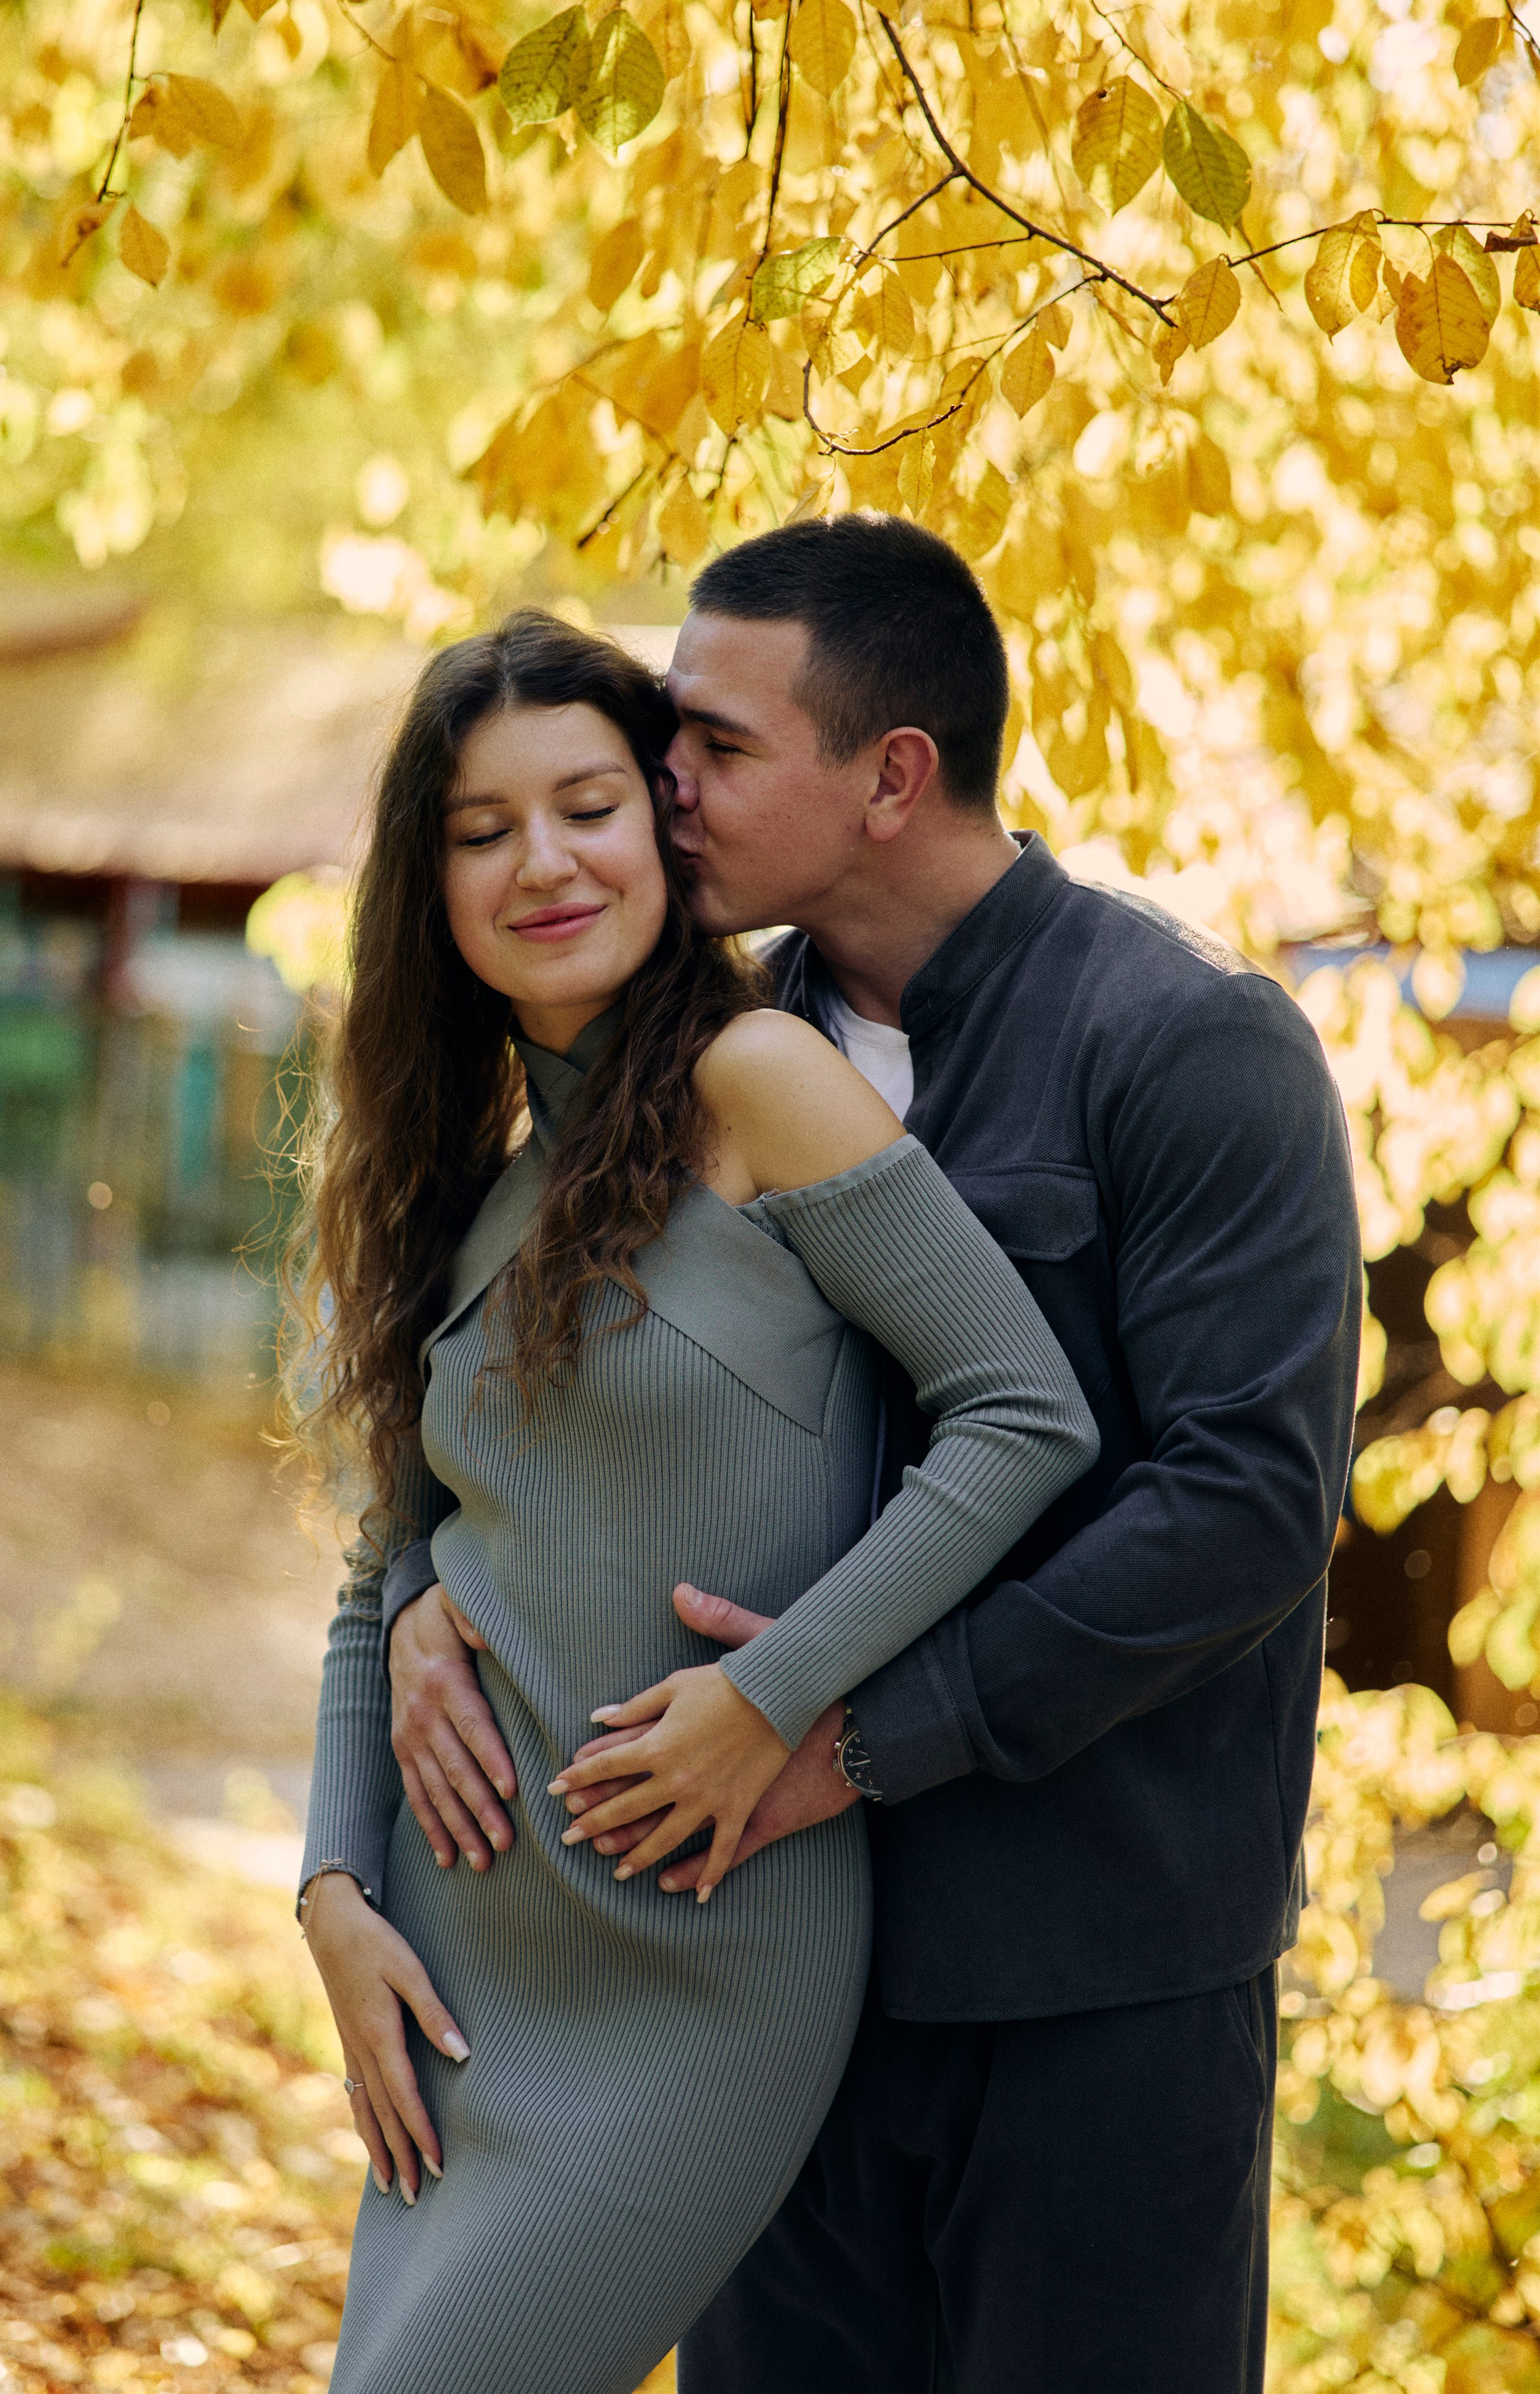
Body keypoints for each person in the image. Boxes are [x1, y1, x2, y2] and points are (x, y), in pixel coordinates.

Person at [380, 517, 1365, 2393]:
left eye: (718, 749)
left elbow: (1247, 1507)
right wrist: (429, 1596)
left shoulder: (1191, 1045)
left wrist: (853, 1734)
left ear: (893, 777)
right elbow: (552, 1415)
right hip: (759, 1984)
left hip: (1096, 1976)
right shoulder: (703, 1066)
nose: (663, 792)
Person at [292, 607, 1098, 2394]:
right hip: (450, 1994)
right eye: (479, 830)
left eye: (584, 804)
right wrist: (335, 1891)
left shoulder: (756, 1083)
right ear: (425, 883)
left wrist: (773, 1692)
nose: (539, 864)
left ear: (661, 827)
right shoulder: (477, 1178)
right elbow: (381, 1565)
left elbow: (1021, 1416)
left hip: (693, 1972)